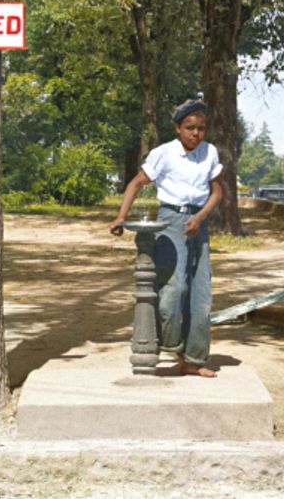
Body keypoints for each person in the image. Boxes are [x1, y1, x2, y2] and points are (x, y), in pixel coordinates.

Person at [110, 98, 224, 378]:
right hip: (170, 221)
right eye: (189, 128)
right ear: (177, 128)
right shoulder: (165, 153)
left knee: (200, 294)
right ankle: (173, 347)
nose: (196, 134)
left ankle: (194, 359)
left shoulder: (209, 153)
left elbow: (217, 192)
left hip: (199, 222)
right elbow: (137, 183)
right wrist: (121, 217)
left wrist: (200, 218)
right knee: (173, 291)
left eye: (201, 128)